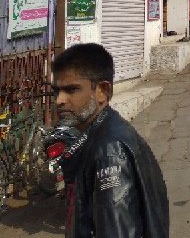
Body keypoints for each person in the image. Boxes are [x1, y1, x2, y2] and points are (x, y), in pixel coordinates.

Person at [52, 43, 169, 238]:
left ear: (102, 91)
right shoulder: (101, 133)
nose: (59, 100)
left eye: (71, 90)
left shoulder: (109, 151)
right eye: (56, 91)